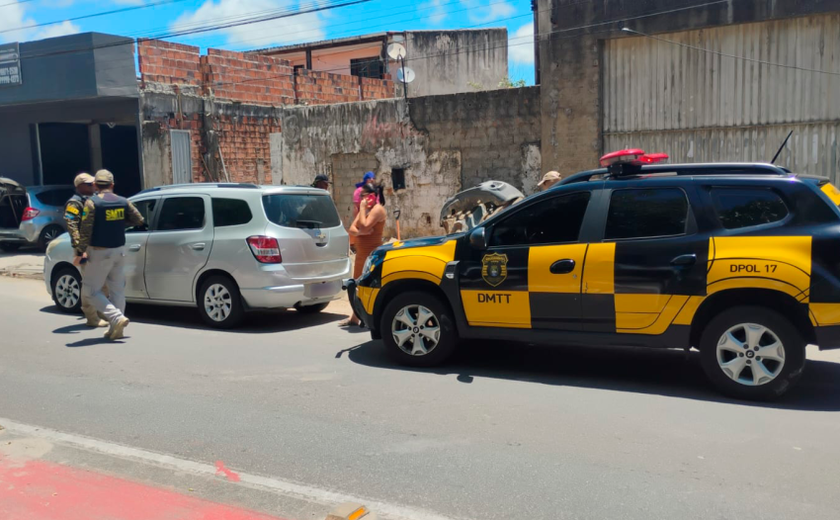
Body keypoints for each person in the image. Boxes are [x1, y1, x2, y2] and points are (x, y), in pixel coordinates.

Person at [75, 170, 144, 340]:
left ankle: (116, 318)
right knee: (117, 290)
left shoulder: (92, 203)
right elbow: (139, 219)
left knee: (90, 291)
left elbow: (85, 230)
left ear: (96, 185)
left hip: (99, 252)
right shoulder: (123, 201)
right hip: (119, 251)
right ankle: (117, 329)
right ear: (112, 185)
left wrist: (79, 251)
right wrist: (119, 223)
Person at [64, 173, 108, 328]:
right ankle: (91, 317)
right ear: (79, 186)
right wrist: (80, 247)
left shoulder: (95, 199)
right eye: (89, 184)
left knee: (102, 282)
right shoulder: (74, 203)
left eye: (93, 184)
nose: (93, 186)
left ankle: (103, 312)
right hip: (85, 248)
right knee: (89, 283)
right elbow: (71, 224)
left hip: (98, 246)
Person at [342, 182, 386, 328]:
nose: (361, 199)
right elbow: (352, 229)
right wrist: (361, 232)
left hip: (371, 255)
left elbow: (365, 224)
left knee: (369, 287)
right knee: (357, 285)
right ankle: (355, 317)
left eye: (363, 196)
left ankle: (370, 318)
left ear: (371, 196)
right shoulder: (367, 210)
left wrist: (361, 210)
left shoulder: (377, 210)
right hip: (361, 255)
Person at [350, 172, 375, 253]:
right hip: (361, 215)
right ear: (366, 180)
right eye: (370, 178)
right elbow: (356, 206)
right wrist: (357, 218)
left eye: (373, 178)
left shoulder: (374, 190)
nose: (372, 180)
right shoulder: (359, 191)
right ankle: (354, 245)